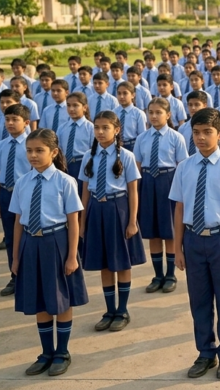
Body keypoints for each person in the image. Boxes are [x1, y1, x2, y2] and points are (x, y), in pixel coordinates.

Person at [170, 108, 220, 380]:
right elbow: (180, 209)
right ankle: (205, 352)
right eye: (196, 132)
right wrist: (177, 248)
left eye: (207, 132)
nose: (201, 138)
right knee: (199, 300)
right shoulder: (184, 167)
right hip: (193, 239)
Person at [10, 129, 88, 376]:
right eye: (29, 151)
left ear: (53, 152)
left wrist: (72, 256)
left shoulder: (65, 181)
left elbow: (73, 221)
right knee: (39, 298)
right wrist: (15, 257)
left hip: (57, 242)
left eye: (39, 150)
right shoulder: (22, 182)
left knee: (61, 298)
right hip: (30, 243)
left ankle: (62, 352)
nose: (33, 155)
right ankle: (46, 352)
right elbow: (18, 221)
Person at [78, 110, 144, 333]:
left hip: (118, 210)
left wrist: (132, 221)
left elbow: (133, 191)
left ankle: (122, 310)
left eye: (105, 128)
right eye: (96, 127)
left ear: (116, 130)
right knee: (104, 262)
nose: (100, 132)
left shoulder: (126, 156)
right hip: (96, 209)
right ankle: (109, 310)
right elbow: (85, 191)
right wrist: (82, 221)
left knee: (121, 261)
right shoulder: (89, 156)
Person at [133, 97, 189, 294]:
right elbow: (137, 166)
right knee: (153, 232)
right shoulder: (142, 138)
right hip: (148, 182)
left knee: (169, 230)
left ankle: (170, 275)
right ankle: (158, 275)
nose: (154, 116)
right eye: (151, 112)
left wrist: (182, 191)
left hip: (169, 181)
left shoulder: (176, 137)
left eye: (159, 112)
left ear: (168, 114)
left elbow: (182, 166)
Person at [0, 104, 33, 297]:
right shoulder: (1, 146)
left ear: (26, 122)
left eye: (14, 119)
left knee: (29, 237)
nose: (10, 123)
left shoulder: (31, 146)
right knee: (11, 238)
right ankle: (15, 276)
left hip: (26, 195)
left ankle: (31, 277)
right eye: (7, 119)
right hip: (6, 194)